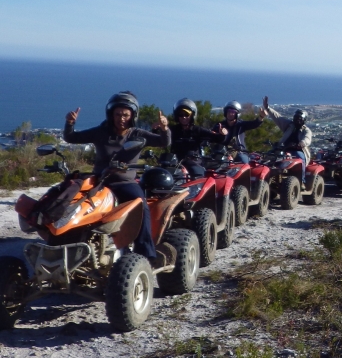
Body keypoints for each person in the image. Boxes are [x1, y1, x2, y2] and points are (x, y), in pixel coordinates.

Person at [63, 91, 172, 267]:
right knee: (76, 204)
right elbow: (72, 138)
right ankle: (71, 248)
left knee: (141, 205)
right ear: (111, 114)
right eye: (118, 114)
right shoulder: (100, 131)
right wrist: (69, 123)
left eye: (126, 114)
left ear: (133, 116)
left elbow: (163, 142)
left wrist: (165, 128)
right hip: (100, 180)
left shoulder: (137, 134)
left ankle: (146, 253)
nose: (121, 118)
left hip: (124, 182)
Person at [168, 98, 227, 177]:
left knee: (198, 175)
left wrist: (222, 135)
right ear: (177, 116)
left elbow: (217, 139)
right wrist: (155, 130)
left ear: (192, 115)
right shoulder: (173, 130)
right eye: (181, 115)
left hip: (194, 162)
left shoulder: (198, 130)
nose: (184, 117)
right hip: (175, 163)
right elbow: (160, 140)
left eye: (186, 115)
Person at [263, 96, 312, 178]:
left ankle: (302, 180)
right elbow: (278, 117)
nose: (297, 120)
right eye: (296, 118)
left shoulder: (306, 130)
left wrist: (301, 144)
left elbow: (307, 139)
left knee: (301, 159)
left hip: (297, 150)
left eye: (299, 118)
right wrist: (267, 108)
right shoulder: (289, 125)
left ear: (304, 120)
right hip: (283, 148)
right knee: (267, 156)